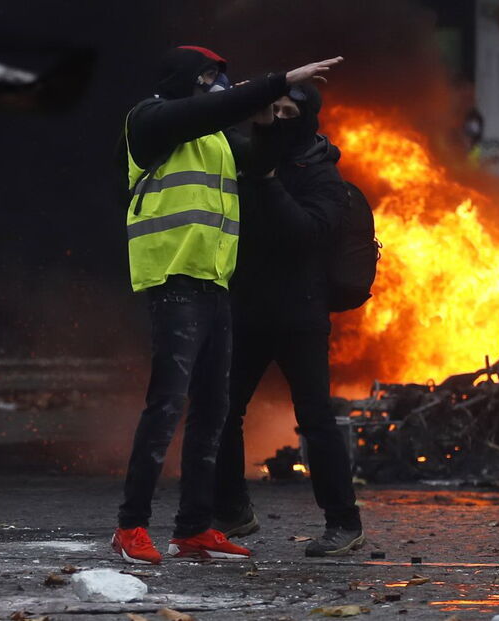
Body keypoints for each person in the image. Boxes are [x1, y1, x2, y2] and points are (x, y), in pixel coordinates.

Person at [113, 45, 343, 565]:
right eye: (208, 77)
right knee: (166, 405)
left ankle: (194, 527)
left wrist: (268, 123)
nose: (217, 86)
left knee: (213, 411)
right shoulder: (148, 120)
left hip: (214, 283)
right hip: (173, 277)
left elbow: (261, 162)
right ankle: (131, 526)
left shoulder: (218, 139)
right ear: (183, 79)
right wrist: (277, 80)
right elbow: (206, 110)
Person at [213, 84, 365, 556]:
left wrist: (268, 180)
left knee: (315, 418)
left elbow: (306, 234)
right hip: (248, 308)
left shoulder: (323, 175)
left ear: (307, 117)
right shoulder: (249, 158)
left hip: (300, 314)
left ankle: (344, 522)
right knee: (222, 410)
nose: (278, 118)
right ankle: (232, 510)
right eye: (272, 109)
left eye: (288, 111)